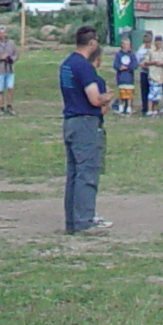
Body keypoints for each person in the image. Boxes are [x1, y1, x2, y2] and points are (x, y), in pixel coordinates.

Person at [59, 24, 109, 233]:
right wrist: (108, 97)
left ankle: (72, 219)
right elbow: (95, 99)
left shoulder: (66, 64)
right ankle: (85, 220)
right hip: (86, 122)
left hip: (70, 121)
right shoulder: (84, 67)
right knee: (87, 173)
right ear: (92, 43)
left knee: (74, 173)